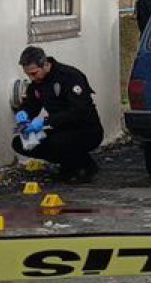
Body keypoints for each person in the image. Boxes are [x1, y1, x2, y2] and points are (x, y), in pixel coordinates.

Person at [12, 47, 105, 183]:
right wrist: (23, 116)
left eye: (34, 73)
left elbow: (79, 111)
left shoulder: (69, 76)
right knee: (22, 143)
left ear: (44, 65)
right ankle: (69, 164)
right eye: (28, 75)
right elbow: (31, 105)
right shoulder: (37, 84)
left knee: (57, 142)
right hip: (61, 130)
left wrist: (44, 122)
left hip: (86, 131)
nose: (31, 78)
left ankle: (84, 166)